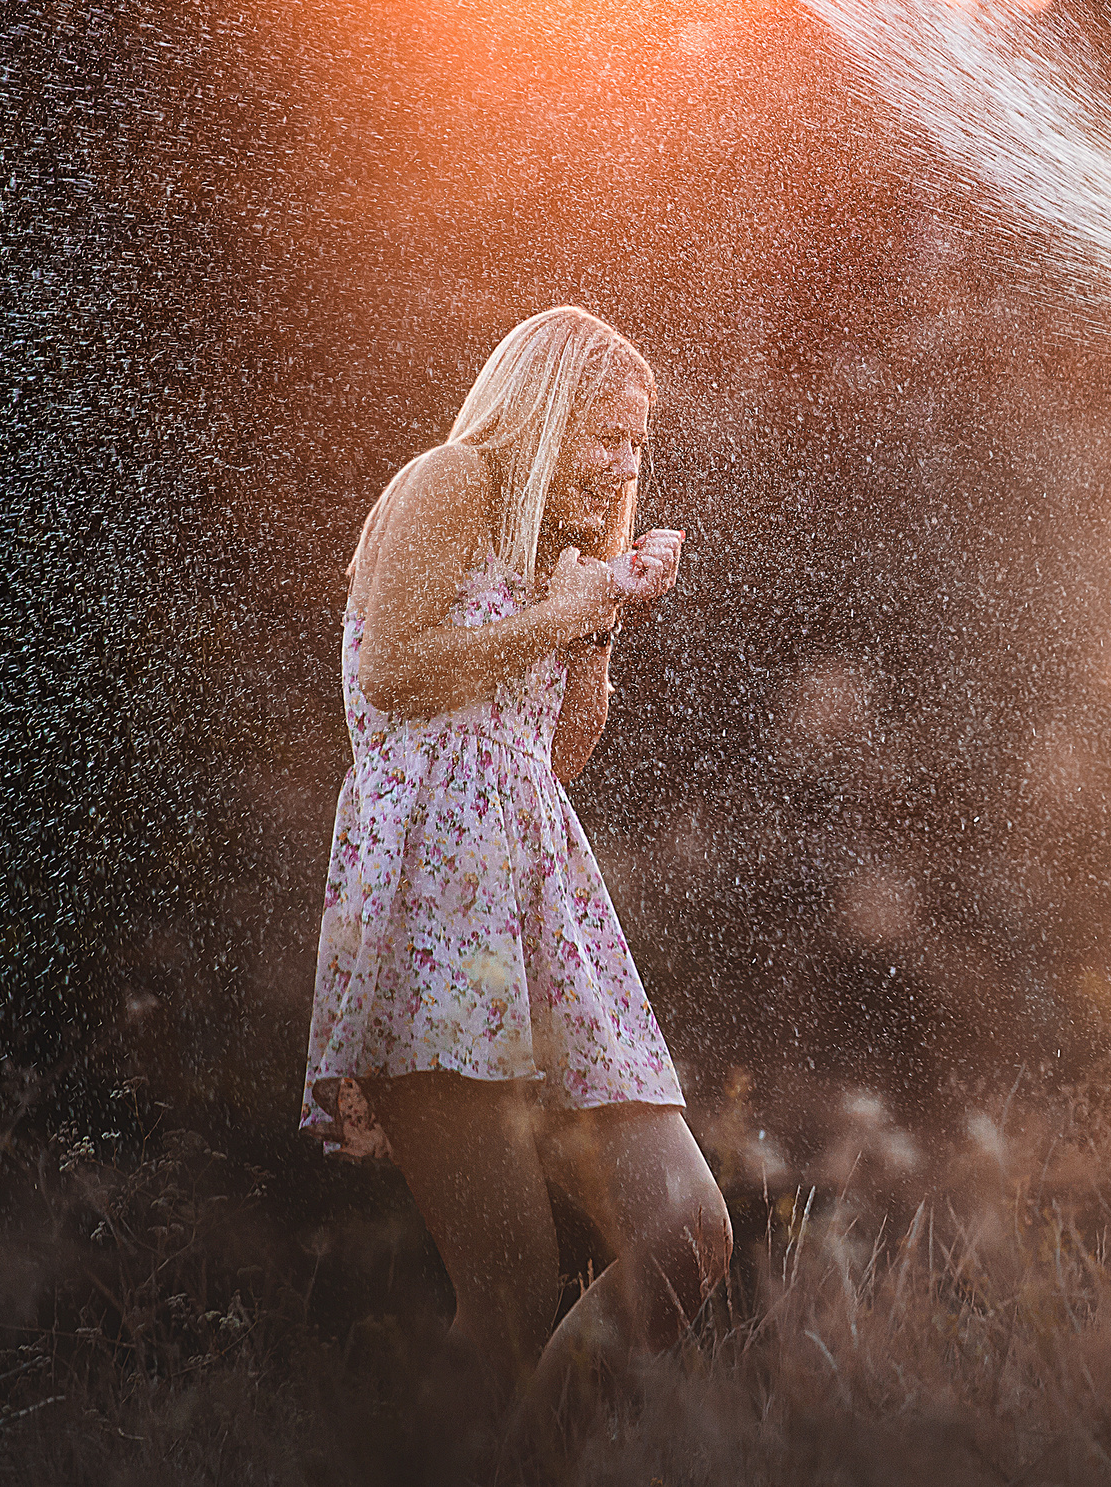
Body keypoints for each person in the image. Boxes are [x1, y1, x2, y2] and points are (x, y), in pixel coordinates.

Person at [303, 305, 732, 1448]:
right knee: (505, 1293)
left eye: (637, 444)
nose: (622, 465)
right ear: (539, 415)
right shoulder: (452, 480)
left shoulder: (556, 550)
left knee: (685, 1228)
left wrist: (598, 616)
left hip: (544, 898)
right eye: (602, 435)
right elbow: (392, 672)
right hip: (431, 896)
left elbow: (549, 761)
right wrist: (551, 615)